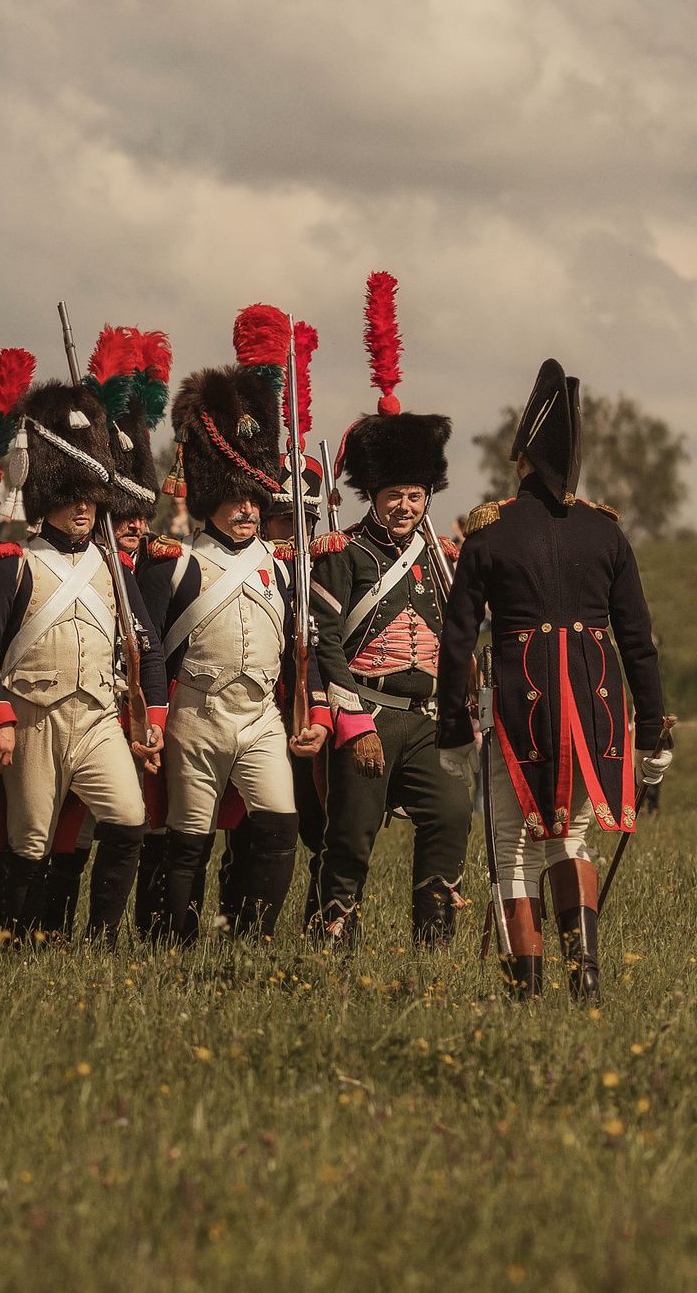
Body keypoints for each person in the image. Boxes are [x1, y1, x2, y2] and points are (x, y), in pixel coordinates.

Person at [438, 359, 670, 1001]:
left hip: (521, 705)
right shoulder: (607, 530)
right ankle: (585, 975)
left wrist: (454, 727)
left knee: (512, 841)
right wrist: (652, 732)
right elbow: (638, 642)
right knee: (570, 837)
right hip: (595, 703)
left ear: (523, 458)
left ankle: (526, 990)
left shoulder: (489, 530)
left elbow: (458, 640)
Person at [0, 358, 168, 943]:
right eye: (72, 496)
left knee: (129, 820)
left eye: (90, 497)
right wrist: (0, 715)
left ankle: (100, 936)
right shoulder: (15, 562)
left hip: (99, 717)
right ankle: (20, 942)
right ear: (47, 493)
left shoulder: (112, 565)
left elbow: (147, 647)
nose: (84, 508)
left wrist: (152, 713)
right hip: (34, 718)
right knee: (29, 843)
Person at [142, 356, 330, 943]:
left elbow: (308, 645)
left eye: (255, 498)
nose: (249, 508)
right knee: (187, 841)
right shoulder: (175, 565)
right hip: (197, 715)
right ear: (209, 499)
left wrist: (317, 712)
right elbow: (148, 651)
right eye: (236, 498)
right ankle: (175, 944)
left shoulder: (281, 567)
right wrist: (149, 718)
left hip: (260, 719)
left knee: (279, 823)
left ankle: (252, 939)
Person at [312, 274, 468, 947]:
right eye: (393, 495)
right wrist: (351, 721)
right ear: (371, 494)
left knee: (453, 810)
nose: (405, 506)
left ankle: (433, 935)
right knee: (351, 834)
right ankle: (331, 933)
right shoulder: (341, 553)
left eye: (414, 495)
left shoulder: (442, 556)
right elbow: (325, 642)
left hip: (428, 717)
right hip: (367, 712)